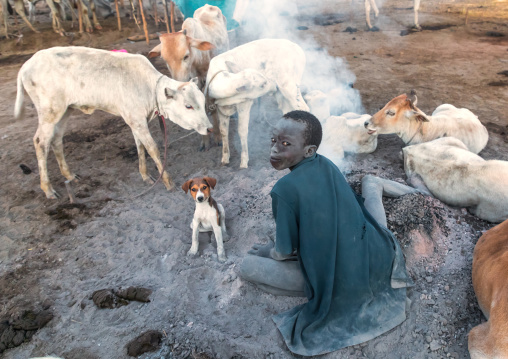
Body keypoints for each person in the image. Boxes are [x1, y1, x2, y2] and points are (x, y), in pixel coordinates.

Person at [239, 110, 417, 356]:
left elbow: (283, 252)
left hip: (343, 280)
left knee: (247, 266)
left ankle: (317, 290)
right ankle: (375, 184)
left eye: (285, 144)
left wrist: (267, 251)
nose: (275, 150)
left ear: (308, 151)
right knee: (371, 214)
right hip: (380, 254)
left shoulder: (283, 190)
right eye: (273, 140)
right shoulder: (326, 164)